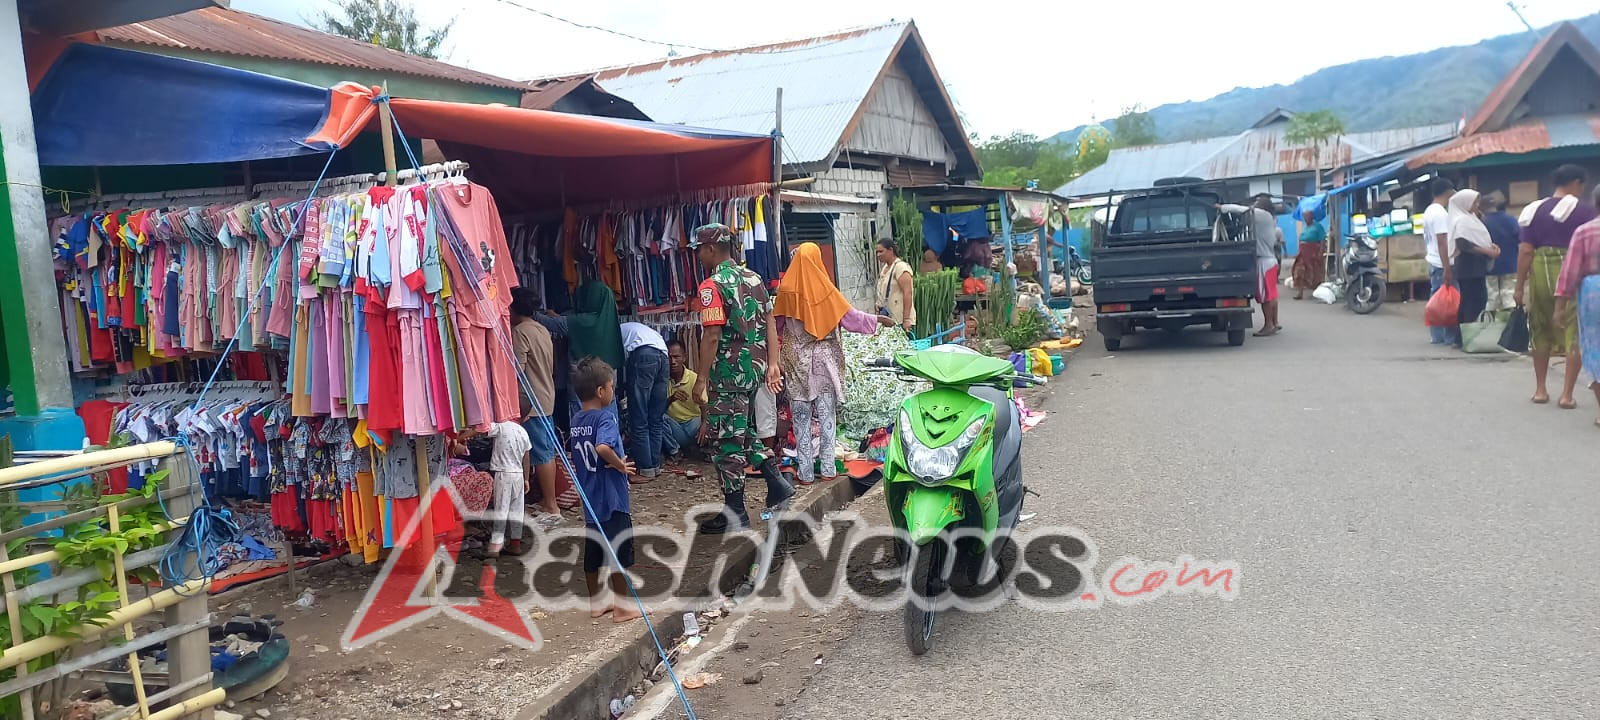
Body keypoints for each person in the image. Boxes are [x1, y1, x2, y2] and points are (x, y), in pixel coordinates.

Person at [688, 222, 793, 534]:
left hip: (728, 374)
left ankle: (735, 512)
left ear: (710, 249)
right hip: (754, 369)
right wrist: (772, 363)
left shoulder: (711, 286)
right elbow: (770, 322)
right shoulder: (754, 278)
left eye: (700, 252)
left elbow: (711, 335)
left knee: (726, 441)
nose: (698, 258)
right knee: (744, 430)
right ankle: (775, 481)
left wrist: (701, 378)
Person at [774, 243, 894, 486]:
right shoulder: (827, 290)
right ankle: (828, 467)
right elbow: (850, 319)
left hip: (797, 361)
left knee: (801, 418)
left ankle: (806, 472)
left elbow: (776, 327)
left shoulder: (785, 291)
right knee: (827, 416)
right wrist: (878, 320)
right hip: (826, 361)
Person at [1515, 164, 1598, 408]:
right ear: (1576, 183)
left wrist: (1520, 286)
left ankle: (1540, 389)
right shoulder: (1585, 212)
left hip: (1539, 272)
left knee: (1540, 329)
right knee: (1575, 332)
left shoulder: (1533, 210)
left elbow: (1525, 251)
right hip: (1572, 274)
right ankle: (1567, 394)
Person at [568, 358, 640, 622]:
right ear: (601, 391)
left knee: (594, 550)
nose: (613, 391)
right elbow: (602, 448)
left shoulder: (577, 420)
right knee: (618, 549)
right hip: (612, 497)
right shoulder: (606, 418)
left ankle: (596, 602)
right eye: (611, 386)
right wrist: (620, 465)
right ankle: (622, 607)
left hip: (590, 497)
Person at [510, 290, 563, 528]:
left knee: (541, 453)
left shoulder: (520, 332)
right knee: (545, 450)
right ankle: (546, 502)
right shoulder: (541, 329)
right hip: (546, 395)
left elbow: (517, 369)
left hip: (531, 400)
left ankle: (552, 506)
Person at [1553, 187, 1600, 422]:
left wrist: (1560, 307)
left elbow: (1569, 272)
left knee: (1593, 346)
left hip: (1593, 290)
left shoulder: (1584, 231)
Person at [1218, 194, 1282, 336]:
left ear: (1262, 206)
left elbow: (1241, 209)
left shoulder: (1261, 215)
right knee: (1271, 295)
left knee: (1265, 297)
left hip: (1264, 261)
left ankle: (1268, 325)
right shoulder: (1269, 218)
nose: (1254, 205)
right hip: (1270, 260)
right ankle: (1274, 322)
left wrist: (1222, 207)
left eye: (1257, 203)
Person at [564, 280, 624, 420]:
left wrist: (534, 315)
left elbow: (553, 323)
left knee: (582, 412)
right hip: (609, 374)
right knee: (609, 410)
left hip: (582, 377)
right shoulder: (610, 318)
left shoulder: (577, 321)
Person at [619, 321, 670, 478]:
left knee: (639, 417)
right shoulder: (634, 328)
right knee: (656, 418)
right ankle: (655, 465)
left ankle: (645, 468)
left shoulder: (613, 333)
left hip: (644, 355)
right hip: (663, 355)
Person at [1449, 189, 1501, 335]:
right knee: (1472, 301)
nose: (1477, 204)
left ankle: (1464, 336)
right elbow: (1463, 244)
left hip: (1475, 267)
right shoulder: (1462, 220)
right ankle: (1466, 335)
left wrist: (1491, 247)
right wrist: (1487, 251)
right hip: (1468, 267)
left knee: (1472, 300)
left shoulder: (1471, 218)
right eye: (1474, 201)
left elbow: (1478, 239)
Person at [477, 420, 531, 557]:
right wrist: (526, 479)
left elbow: (483, 428)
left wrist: (463, 435)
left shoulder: (500, 427)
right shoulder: (523, 432)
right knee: (517, 511)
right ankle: (515, 544)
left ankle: (495, 547)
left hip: (503, 474)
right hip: (518, 474)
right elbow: (526, 457)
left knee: (501, 510)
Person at [1422, 178, 1459, 345]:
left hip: (1434, 260)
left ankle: (1437, 336)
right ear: (1448, 192)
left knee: (1438, 300)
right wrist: (1447, 267)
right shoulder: (1440, 214)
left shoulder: (1430, 210)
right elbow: (1442, 240)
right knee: (1449, 302)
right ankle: (1448, 337)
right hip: (1441, 262)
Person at [661, 338, 706, 459]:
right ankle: (676, 451)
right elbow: (657, 409)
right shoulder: (661, 380)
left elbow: (705, 405)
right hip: (675, 427)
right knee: (658, 417)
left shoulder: (694, 378)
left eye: (677, 357)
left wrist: (704, 424)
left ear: (684, 358)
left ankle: (697, 449)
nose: (673, 361)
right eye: (669, 357)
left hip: (693, 425)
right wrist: (671, 399)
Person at [1482, 191, 1521, 311]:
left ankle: (1493, 324)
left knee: (1492, 295)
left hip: (1489, 265)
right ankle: (1510, 322)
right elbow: (1520, 239)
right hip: (1510, 262)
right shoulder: (1511, 220)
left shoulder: (1482, 222)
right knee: (1509, 293)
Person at [875, 239, 916, 331]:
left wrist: (906, 319)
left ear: (891, 250)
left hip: (899, 319)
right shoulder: (885, 268)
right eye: (877, 252)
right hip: (887, 317)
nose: (878, 255)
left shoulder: (901, 267)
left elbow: (908, 292)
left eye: (881, 251)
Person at [1292, 209, 1326, 300]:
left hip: (1313, 252)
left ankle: (1317, 292)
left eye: (1307, 216)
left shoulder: (1318, 227)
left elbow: (1322, 240)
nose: (1305, 219)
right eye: (1304, 217)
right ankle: (1300, 292)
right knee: (1299, 271)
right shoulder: (1305, 228)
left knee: (1315, 272)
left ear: (1311, 217)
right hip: (1303, 252)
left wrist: (1320, 252)